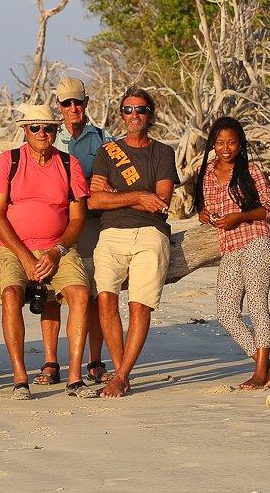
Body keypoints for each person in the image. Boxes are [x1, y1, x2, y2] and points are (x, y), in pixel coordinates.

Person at [0, 104, 97, 400]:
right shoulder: (7, 161)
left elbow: (77, 218)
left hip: (58, 246)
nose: (42, 133)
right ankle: (20, 377)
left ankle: (75, 377)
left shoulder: (67, 164)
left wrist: (57, 251)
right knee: (10, 294)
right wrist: (24, 256)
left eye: (48, 127)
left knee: (80, 294)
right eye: (35, 127)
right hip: (12, 247)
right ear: (25, 130)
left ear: (55, 130)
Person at [89, 87, 179, 398]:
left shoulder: (163, 152)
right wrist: (141, 195)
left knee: (139, 305)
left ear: (150, 115)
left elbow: (163, 202)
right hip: (111, 233)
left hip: (150, 234)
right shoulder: (108, 151)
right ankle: (120, 372)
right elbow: (94, 200)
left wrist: (118, 197)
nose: (134, 115)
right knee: (105, 300)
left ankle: (120, 375)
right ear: (121, 115)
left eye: (140, 109)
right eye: (128, 110)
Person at [194, 116, 270, 389]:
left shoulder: (251, 170)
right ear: (212, 144)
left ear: (240, 144)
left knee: (256, 303)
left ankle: (260, 373)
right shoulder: (206, 173)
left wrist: (239, 217)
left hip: (256, 239)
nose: (225, 148)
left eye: (232, 142)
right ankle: (269, 368)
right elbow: (203, 209)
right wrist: (206, 216)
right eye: (220, 142)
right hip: (229, 248)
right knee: (226, 313)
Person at [50, 76, 108, 384]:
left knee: (95, 291)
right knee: (50, 292)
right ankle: (50, 361)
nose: (73, 108)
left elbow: (115, 174)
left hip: (91, 223)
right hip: (55, 223)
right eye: (67, 102)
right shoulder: (47, 134)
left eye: (78, 102)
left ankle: (95, 360)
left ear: (86, 103)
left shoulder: (101, 136)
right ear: (58, 105)